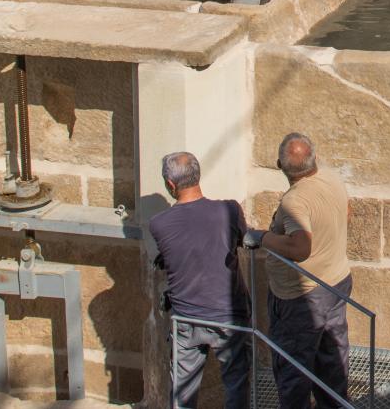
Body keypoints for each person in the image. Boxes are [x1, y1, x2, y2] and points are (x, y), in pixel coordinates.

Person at [254, 132, 353, 409]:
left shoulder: (293, 201)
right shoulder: (331, 178)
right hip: (336, 282)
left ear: (279, 165)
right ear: (315, 159)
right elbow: (347, 211)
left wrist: (262, 237)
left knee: (293, 370)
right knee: (331, 360)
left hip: (301, 297)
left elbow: (300, 249)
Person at [147, 151, 251, 409]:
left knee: (183, 392)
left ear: (171, 185)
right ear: (198, 175)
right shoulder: (229, 210)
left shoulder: (158, 224)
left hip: (186, 317)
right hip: (229, 314)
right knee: (237, 385)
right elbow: (240, 240)